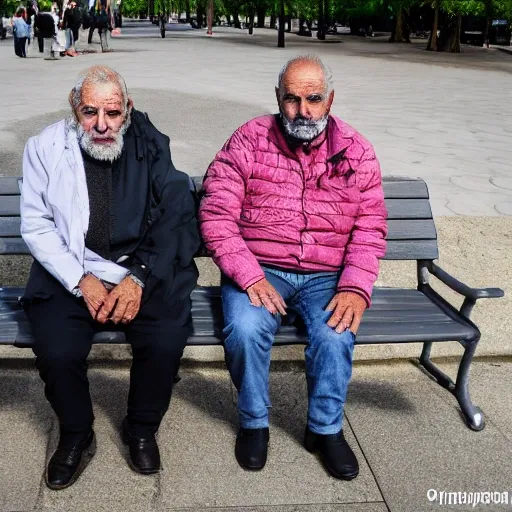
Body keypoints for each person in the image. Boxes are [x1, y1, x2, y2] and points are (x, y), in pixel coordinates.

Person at [199, 55, 387, 479]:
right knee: (246, 330)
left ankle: (324, 429)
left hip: (328, 276)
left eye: (314, 99)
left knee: (335, 335)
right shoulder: (248, 141)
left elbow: (370, 225)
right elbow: (216, 216)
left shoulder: (356, 150)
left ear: (330, 100)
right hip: (261, 268)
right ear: (278, 98)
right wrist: (247, 274)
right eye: (292, 99)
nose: (303, 111)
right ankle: (253, 422)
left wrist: (356, 286)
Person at [21, 66, 200, 490]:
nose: (101, 125)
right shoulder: (44, 146)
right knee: (57, 350)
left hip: (139, 267)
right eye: (89, 112)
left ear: (128, 110)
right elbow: (36, 223)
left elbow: (177, 210)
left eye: (113, 113)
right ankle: (77, 433)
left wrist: (137, 278)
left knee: (165, 339)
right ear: (73, 105)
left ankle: (141, 426)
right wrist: (79, 279)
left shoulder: (151, 144)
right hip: (70, 267)